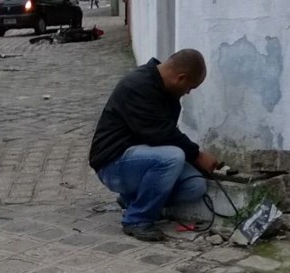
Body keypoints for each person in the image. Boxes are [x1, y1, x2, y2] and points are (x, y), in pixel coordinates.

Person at [89, 49, 220, 242]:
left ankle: (131, 200)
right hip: (113, 164)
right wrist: (197, 156)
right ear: (180, 78)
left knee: (195, 186)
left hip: (141, 161)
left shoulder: (166, 91)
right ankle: (137, 219)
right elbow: (162, 135)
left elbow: (164, 135)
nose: (188, 92)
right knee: (173, 157)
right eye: (190, 87)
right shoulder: (138, 86)